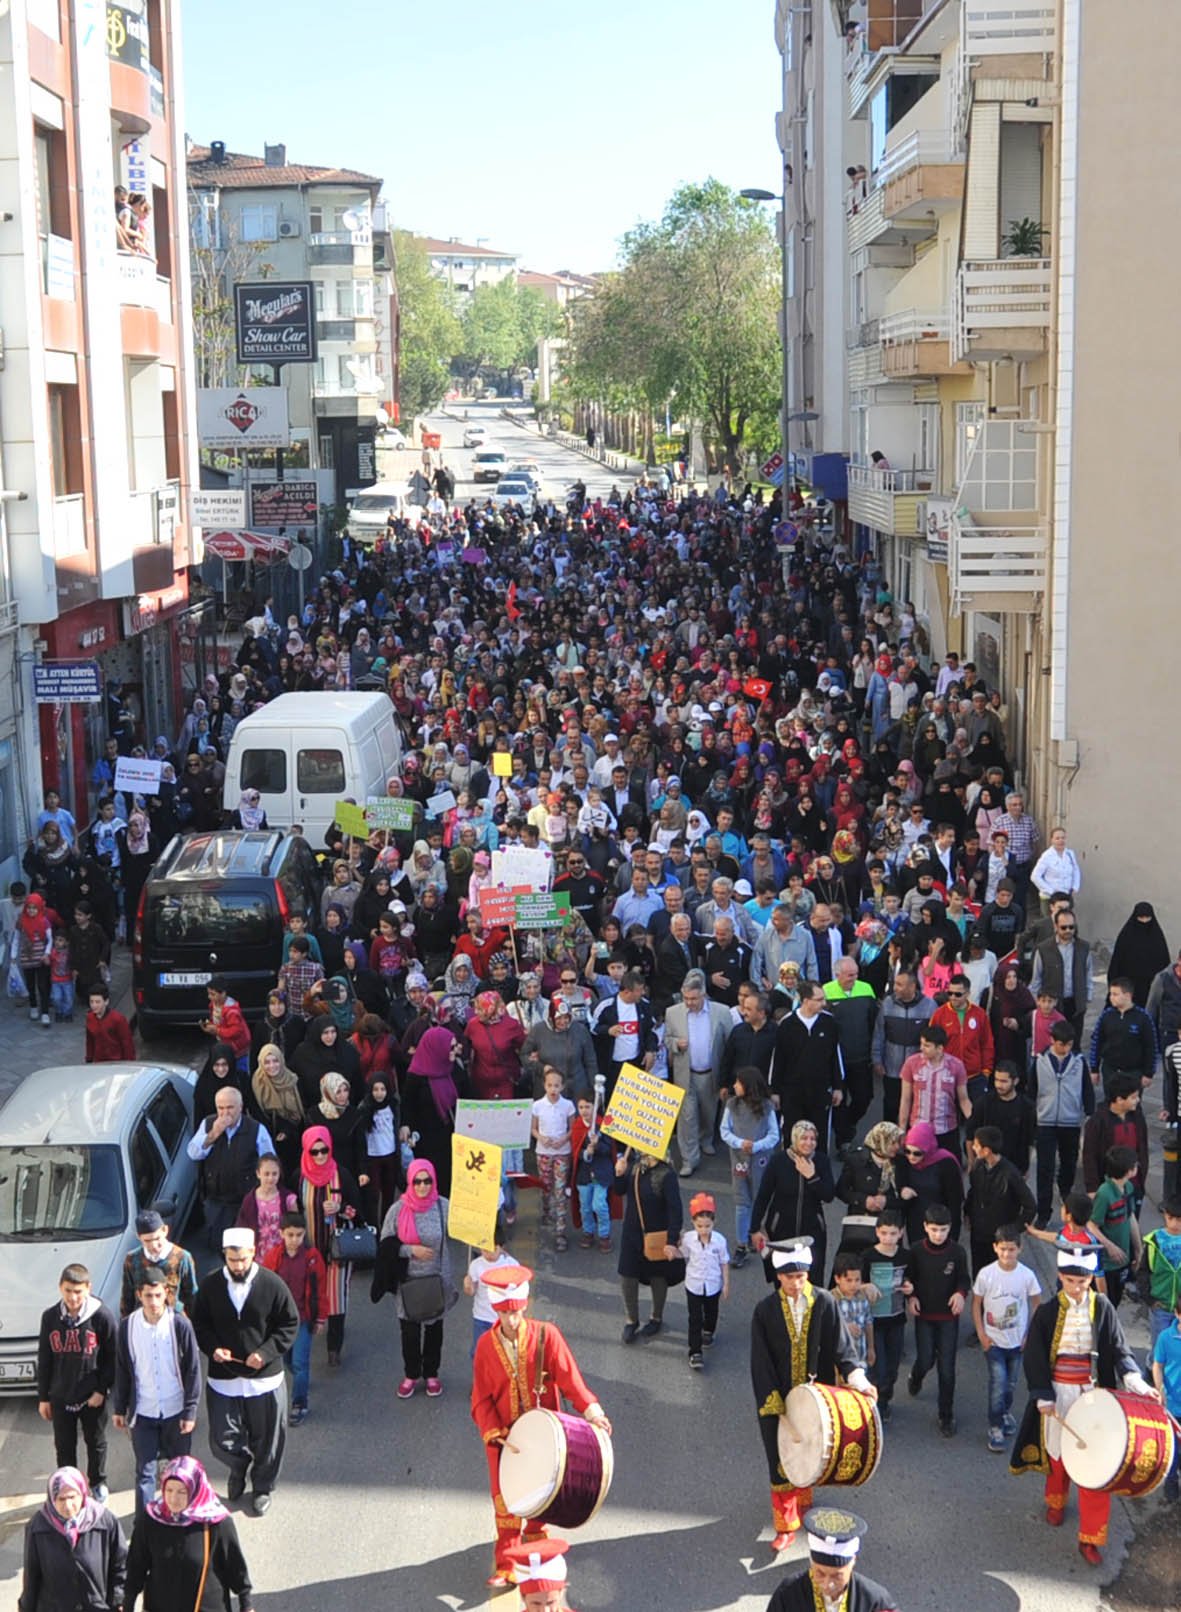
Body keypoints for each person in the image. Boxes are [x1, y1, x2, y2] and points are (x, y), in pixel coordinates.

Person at [1010, 1241, 1158, 1565]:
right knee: (1060, 1455)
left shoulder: (1102, 1307)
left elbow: (1120, 1349)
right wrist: (1042, 1394)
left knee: (1096, 1467)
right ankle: (1056, 1500)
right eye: (1070, 1281)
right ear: (1061, 1277)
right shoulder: (1047, 1313)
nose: (1077, 1288)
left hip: (1095, 1399)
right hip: (1058, 1394)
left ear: (1091, 1279)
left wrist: (1134, 1380)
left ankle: (1091, 1538)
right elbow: (1034, 1354)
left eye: (1083, 1281)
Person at [470, 1264, 611, 1588]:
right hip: (505, 1441)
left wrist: (592, 1412)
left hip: (545, 1437)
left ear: (524, 1306)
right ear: (496, 1311)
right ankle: (506, 1563)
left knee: (540, 1494)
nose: (512, 1320)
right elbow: (479, 1398)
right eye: (505, 1314)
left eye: (517, 1312)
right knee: (506, 1501)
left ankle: (534, 1548)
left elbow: (570, 1379)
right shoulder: (485, 1348)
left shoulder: (547, 1336)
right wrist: (493, 1431)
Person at [750, 1238, 876, 1547]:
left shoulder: (824, 1302)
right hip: (778, 1398)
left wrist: (859, 1381)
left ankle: (804, 1496)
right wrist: (772, 1400)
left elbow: (843, 1348)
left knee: (814, 1450)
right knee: (780, 1458)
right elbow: (760, 1361)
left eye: (801, 1276)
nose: (796, 1283)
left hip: (817, 1399)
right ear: (778, 1276)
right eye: (789, 1277)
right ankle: (785, 1525)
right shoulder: (765, 1311)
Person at [188, 1228, 299, 1518]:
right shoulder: (211, 1286)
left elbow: (289, 1324)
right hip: (224, 1379)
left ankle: (262, 1487)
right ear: (224, 1255)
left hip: (264, 1380)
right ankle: (239, 1466)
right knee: (221, 1440)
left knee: (268, 1439)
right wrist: (213, 1349)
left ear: (253, 1253)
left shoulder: (273, 1284)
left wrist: (265, 1352)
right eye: (232, 1259)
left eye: (242, 1259)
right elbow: (200, 1325)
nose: (237, 1266)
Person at [111, 1268, 201, 1515]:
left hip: (175, 1411)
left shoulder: (180, 1325)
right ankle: (145, 1526)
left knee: (180, 1471)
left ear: (167, 1294)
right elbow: (122, 1369)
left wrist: (190, 1411)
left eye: (158, 1295)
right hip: (144, 1412)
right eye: (148, 1296)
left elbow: (193, 1369)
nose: (153, 1302)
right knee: (145, 1472)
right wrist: (119, 1407)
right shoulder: (127, 1327)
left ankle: (182, 1516)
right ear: (139, 1295)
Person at [124, 1456, 253, 1612]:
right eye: (168, 1490)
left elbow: (236, 1568)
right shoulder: (151, 1520)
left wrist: (246, 1605)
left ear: (195, 1490)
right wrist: (128, 1604)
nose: (173, 1499)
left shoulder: (216, 1523)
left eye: (182, 1492)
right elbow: (136, 1567)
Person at [37, 1265, 116, 1503]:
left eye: (78, 1291)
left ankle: (98, 1481)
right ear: (60, 1288)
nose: (73, 1297)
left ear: (88, 1289)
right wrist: (44, 1397)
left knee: (96, 1441)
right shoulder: (50, 1317)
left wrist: (102, 1390)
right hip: (61, 1395)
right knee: (64, 1445)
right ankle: (68, 1485)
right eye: (68, 1290)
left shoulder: (101, 1316)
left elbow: (112, 1358)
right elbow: (45, 1358)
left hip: (91, 1396)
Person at [383, 1156, 458, 1399]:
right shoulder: (398, 1209)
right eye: (417, 1181)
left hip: (436, 1280)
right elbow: (385, 1244)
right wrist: (410, 1250)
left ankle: (432, 1374)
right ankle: (411, 1375)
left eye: (427, 1181)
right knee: (410, 1333)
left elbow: (465, 1228)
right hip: (408, 1284)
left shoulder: (442, 1206)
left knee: (435, 1330)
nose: (423, 1186)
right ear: (410, 1182)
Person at [971, 1225, 1042, 1452]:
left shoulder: (1027, 1276)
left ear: (1019, 1249)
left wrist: (1029, 1335)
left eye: (1011, 1249)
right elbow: (976, 1304)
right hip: (994, 1343)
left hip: (1017, 1343)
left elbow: (1036, 1305)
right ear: (995, 1248)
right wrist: (981, 1334)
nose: (1006, 1254)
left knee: (1010, 1384)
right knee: (998, 1384)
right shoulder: (986, 1274)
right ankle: (995, 1426)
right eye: (1002, 1249)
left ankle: (1004, 1412)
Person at [296, 1124, 361, 1366]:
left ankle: (335, 1346)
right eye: (315, 1152)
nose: (321, 1156)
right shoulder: (299, 1178)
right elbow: (292, 1212)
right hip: (309, 1249)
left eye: (324, 1150)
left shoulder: (341, 1175)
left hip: (338, 1249)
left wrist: (342, 1209)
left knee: (336, 1296)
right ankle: (310, 1330)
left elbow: (360, 1211)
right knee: (310, 1293)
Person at [18, 1468, 126, 1612]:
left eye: (72, 1497)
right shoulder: (38, 1528)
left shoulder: (105, 1522)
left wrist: (118, 1601)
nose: (68, 1506)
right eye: (61, 1499)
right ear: (51, 1499)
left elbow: (120, 1565)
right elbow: (32, 1576)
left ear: (82, 1494)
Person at [904, 1202, 970, 1437]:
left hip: (948, 1318)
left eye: (943, 1230)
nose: (938, 1235)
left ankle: (946, 1415)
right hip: (924, 1315)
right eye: (934, 1230)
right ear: (925, 1228)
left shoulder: (957, 1252)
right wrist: (910, 1296)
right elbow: (907, 1278)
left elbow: (964, 1279)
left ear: (950, 1228)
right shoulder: (915, 1251)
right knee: (925, 1358)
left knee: (947, 1368)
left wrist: (960, 1294)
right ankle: (916, 1375)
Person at [260, 1211, 329, 1427]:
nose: (294, 1240)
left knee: (300, 1363)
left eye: (298, 1235)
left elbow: (321, 1290)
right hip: (280, 1321)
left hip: (303, 1318)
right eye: (290, 1235)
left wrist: (320, 1318)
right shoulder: (273, 1257)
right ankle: (302, 1380)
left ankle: (299, 1403)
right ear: (281, 1233)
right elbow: (265, 1288)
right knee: (288, 1360)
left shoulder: (312, 1257)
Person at [186, 1089, 274, 1255]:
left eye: (230, 1107)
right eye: (221, 1108)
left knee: (245, 1245)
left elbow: (269, 1160)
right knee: (218, 1244)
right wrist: (213, 1134)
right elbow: (193, 1153)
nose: (225, 1113)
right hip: (216, 1198)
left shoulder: (256, 1129)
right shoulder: (208, 1124)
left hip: (245, 1198)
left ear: (240, 1107)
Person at [612, 1148, 685, 1342]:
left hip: (655, 1236)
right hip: (631, 1233)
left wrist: (671, 1240)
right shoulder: (635, 1166)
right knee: (627, 1275)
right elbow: (619, 1190)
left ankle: (656, 1318)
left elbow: (675, 1210)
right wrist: (619, 1174)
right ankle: (631, 1320)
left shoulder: (666, 1175)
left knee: (657, 1276)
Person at [751, 1119, 836, 1285]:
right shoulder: (778, 1161)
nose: (809, 1143)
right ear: (795, 1138)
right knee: (783, 1280)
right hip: (781, 1230)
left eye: (813, 1139)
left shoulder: (821, 1161)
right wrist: (754, 1229)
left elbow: (829, 1195)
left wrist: (812, 1177)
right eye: (804, 1138)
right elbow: (763, 1196)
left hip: (812, 1232)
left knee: (812, 1282)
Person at [664, 970, 731, 1177]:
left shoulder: (721, 1012)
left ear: (703, 995)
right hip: (686, 1074)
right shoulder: (673, 1012)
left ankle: (706, 1138)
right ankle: (689, 1159)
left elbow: (729, 1044)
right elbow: (666, 1039)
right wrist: (676, 1044)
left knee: (709, 1112)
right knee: (687, 1118)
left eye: (693, 998)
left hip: (711, 1074)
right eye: (686, 998)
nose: (689, 1003)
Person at [765, 1508, 898, 1612]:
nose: (828, 1584)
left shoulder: (874, 1600)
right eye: (820, 1573)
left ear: (853, 1562)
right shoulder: (788, 1593)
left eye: (837, 1576)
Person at [1030, 1021, 1094, 1227]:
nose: (1063, 1049)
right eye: (1059, 1044)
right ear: (1051, 1041)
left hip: (1070, 1121)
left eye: (1067, 1045)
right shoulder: (1039, 1061)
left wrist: (1089, 1112)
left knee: (1069, 1166)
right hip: (1045, 1121)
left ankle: (1067, 1201)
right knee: (1044, 1168)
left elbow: (1086, 1089)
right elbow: (1031, 1090)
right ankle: (1043, 1212)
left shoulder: (1079, 1062)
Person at [770, 980, 846, 1142]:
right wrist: (775, 1091)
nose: (824, 1003)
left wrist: (838, 1087)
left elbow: (835, 1057)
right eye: (819, 1000)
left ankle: (818, 1166)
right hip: (792, 1093)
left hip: (820, 1091)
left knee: (819, 1135)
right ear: (805, 1001)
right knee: (792, 1134)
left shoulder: (829, 1023)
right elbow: (778, 1060)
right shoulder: (787, 1024)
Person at [721, 1067, 781, 1268]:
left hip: (761, 1161)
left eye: (738, 1082)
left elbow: (774, 1135)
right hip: (738, 1161)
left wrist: (756, 1146)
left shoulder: (767, 1107)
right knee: (741, 1202)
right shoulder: (732, 1105)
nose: (734, 1086)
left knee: (760, 1199)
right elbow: (724, 1131)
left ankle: (756, 1233)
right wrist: (739, 1143)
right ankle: (741, 1245)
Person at [859, 1210, 910, 1421]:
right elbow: (855, 1284)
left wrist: (910, 1288)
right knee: (876, 1365)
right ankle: (875, 1405)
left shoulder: (906, 1256)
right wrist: (864, 1285)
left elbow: (911, 1279)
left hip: (896, 1318)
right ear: (877, 1232)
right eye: (884, 1233)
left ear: (901, 1233)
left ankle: (885, 1399)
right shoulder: (867, 1256)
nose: (888, 1238)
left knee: (892, 1366)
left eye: (893, 1233)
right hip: (873, 1321)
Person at [964, 1125, 1036, 1276]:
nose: (974, 1148)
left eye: (977, 1145)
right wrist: (968, 1213)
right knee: (979, 1274)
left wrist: (1013, 1230)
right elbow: (973, 1192)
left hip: (999, 1238)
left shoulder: (1010, 1173)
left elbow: (1030, 1205)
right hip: (978, 1233)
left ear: (986, 1150)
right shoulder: (978, 1167)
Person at [870, 970, 933, 1127]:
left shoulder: (929, 1006)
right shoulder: (887, 1004)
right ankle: (889, 1140)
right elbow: (879, 1033)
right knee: (891, 1106)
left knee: (916, 1107)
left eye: (899, 984)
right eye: (894, 984)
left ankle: (911, 1143)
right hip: (892, 1068)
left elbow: (934, 1038)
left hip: (918, 1069)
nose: (895, 988)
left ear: (912, 986)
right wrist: (876, 1060)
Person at [897, 1023, 970, 1155]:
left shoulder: (956, 1066)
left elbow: (964, 1100)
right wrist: (902, 1129)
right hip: (919, 1129)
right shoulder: (911, 1063)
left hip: (946, 1130)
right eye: (921, 1044)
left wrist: (973, 1123)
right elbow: (906, 1099)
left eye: (927, 1045)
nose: (921, 1048)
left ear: (940, 1048)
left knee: (950, 1171)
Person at [678, 1191, 730, 1369]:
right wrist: (673, 1249)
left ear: (713, 1223)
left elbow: (724, 1262)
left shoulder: (720, 1241)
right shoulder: (688, 1239)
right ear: (693, 1223)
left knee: (711, 1312)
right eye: (700, 1226)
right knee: (694, 1318)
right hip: (693, 1284)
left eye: (707, 1226)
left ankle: (709, 1331)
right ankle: (695, 1352)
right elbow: (683, 1255)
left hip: (713, 1284)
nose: (704, 1230)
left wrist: (726, 1284)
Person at [1086, 1145, 1141, 1309]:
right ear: (1129, 1171)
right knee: (1102, 1305)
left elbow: (1130, 1216)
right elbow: (1092, 1225)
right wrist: (1110, 1247)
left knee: (1115, 1299)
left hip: (1123, 1259)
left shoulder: (1128, 1188)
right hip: (1107, 1263)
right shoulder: (1104, 1193)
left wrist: (1138, 1249)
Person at [119, 1208, 198, 1318]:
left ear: (165, 1230)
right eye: (147, 1241)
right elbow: (127, 1297)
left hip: (173, 1319)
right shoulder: (132, 1259)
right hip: (143, 1319)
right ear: (139, 1237)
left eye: (157, 1238)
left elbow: (191, 1295)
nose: (153, 1245)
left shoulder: (182, 1257)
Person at [531, 1066, 576, 1252]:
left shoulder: (568, 1105)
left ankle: (560, 1231)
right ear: (544, 1086)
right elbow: (533, 1129)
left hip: (562, 1153)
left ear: (562, 1086)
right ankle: (547, 1211)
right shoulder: (537, 1106)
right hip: (543, 1152)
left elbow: (573, 1128)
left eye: (556, 1085)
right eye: (550, 1085)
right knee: (546, 1186)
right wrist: (541, 1138)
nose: (553, 1089)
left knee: (559, 1190)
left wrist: (563, 1140)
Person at [1089, 977, 1158, 1094]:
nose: (1111, 997)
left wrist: (1148, 1073)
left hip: (1134, 1072)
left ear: (1127, 995)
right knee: (1110, 1105)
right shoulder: (1106, 1016)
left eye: (1116, 994)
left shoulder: (1143, 1018)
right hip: (1110, 1071)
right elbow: (1097, 1043)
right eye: (1111, 994)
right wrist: (1094, 1069)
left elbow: (1151, 1047)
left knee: (1132, 1106)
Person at [966, 1064, 1036, 1176]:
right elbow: (970, 1135)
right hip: (986, 1166)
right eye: (996, 1080)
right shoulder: (983, 1103)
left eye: (1004, 1081)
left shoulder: (1026, 1107)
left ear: (1015, 1081)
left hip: (1015, 1166)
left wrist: (1026, 1168)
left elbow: (1030, 1140)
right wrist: (971, 1161)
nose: (999, 1085)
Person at [1138, 1194, 1181, 1355]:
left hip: (1180, 1308)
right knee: (1159, 1347)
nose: (1175, 1224)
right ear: (1165, 1216)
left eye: (1180, 1220)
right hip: (1160, 1306)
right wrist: (1149, 1298)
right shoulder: (1154, 1241)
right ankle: (1153, 1374)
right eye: (1172, 1218)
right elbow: (1143, 1272)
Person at [571, 1094, 615, 1252]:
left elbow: (609, 1149)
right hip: (584, 1175)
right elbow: (575, 1152)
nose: (584, 1111)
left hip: (601, 1174)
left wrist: (597, 1146)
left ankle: (604, 1235)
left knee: (599, 1205)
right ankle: (588, 1232)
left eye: (587, 1107)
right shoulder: (577, 1126)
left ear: (593, 1107)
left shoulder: (603, 1124)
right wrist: (586, 1152)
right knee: (585, 1207)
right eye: (581, 1107)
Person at [1107, 902, 1170, 1007]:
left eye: (1147, 917)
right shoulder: (1126, 936)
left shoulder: (1157, 938)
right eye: (1141, 917)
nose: (1144, 921)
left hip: (1151, 991)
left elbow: (1164, 965)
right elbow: (1116, 964)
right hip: (1128, 991)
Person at [1150, 1293, 1181, 1503]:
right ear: (1177, 1314)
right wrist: (1159, 1388)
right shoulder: (1165, 1338)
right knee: (1174, 1450)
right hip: (1173, 1406)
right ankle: (1170, 1480)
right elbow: (1158, 1365)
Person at [84, 986, 135, 1063]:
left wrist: (129, 1064)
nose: (94, 1005)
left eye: (97, 1002)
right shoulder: (90, 1018)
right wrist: (89, 1059)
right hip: (98, 1063)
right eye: (91, 1002)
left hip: (116, 1063)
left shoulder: (118, 1019)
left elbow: (127, 1044)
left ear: (106, 1001)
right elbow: (90, 1042)